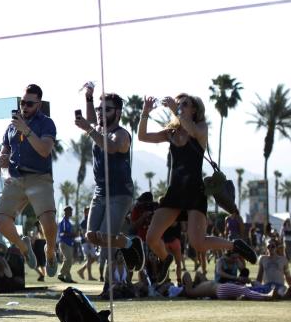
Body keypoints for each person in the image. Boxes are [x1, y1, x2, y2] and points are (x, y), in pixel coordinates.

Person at [137, 94, 256, 283]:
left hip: (194, 191)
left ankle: (235, 246)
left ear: (194, 110)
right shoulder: (172, 132)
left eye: (185, 104)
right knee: (152, 238)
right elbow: (142, 137)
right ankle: (166, 259)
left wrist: (174, 110)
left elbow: (191, 130)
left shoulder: (200, 128)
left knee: (198, 243)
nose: (180, 106)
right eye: (179, 104)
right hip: (175, 192)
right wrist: (145, 112)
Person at [0, 84, 59, 277]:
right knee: (1, 221)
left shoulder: (46, 123)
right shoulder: (11, 127)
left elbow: (44, 150)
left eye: (29, 103)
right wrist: (2, 161)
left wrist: (27, 130)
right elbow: (3, 152)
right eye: (22, 102)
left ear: (38, 104)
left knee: (48, 222)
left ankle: (50, 251)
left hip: (39, 177)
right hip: (16, 178)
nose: (25, 106)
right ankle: (24, 247)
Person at [75, 89, 138, 269]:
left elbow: (111, 147)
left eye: (106, 110)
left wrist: (88, 128)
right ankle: (129, 244)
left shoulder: (122, 135)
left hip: (120, 193)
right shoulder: (97, 130)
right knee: (91, 236)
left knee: (106, 237)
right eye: (98, 109)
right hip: (100, 191)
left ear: (117, 112)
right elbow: (92, 122)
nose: (100, 114)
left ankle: (131, 247)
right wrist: (89, 97)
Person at [56, 206, 78, 283]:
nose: (71, 212)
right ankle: (61, 274)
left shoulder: (68, 222)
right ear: (66, 212)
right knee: (68, 259)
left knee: (69, 260)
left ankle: (68, 278)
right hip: (64, 242)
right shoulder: (64, 221)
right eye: (70, 211)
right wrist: (73, 234)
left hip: (69, 243)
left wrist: (73, 234)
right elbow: (63, 233)